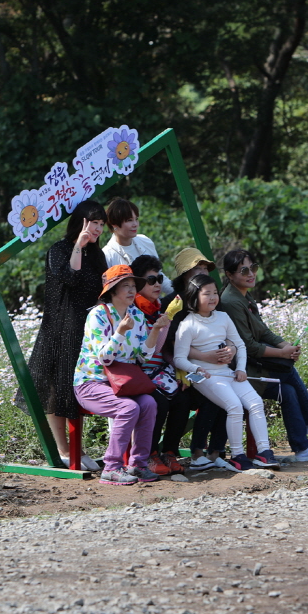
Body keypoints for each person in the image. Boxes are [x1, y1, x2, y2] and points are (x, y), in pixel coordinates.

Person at [218, 249, 308, 462]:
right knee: (288, 370)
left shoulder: (244, 295)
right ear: (229, 274)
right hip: (242, 371)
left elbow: (263, 331)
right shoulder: (230, 301)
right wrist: (283, 353)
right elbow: (248, 346)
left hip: (253, 365)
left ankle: (302, 447)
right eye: (244, 270)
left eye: (253, 268)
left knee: (289, 390)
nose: (251, 274)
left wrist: (286, 347)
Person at [16, 200, 108, 471]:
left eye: (102, 225)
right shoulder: (59, 250)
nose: (98, 229)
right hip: (61, 327)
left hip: (88, 328)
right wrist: (78, 245)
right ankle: (63, 449)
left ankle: (78, 448)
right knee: (58, 388)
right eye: (94, 223)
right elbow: (70, 278)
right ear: (81, 222)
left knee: (80, 386)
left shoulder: (98, 254)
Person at [172, 274, 279, 471]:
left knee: (255, 403)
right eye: (207, 294)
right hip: (204, 376)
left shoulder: (223, 317)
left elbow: (239, 344)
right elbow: (179, 358)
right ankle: (237, 455)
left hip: (227, 372)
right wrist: (196, 368)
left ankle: (264, 452)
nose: (213, 297)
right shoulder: (187, 324)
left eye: (215, 293)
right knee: (235, 406)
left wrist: (240, 368)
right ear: (194, 297)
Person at [73, 264, 169, 485]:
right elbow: (104, 358)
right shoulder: (98, 314)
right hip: (90, 383)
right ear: (112, 290)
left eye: (133, 286)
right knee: (128, 407)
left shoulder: (135, 313)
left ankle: (137, 465)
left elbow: (144, 355)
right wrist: (120, 332)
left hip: (123, 384)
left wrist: (155, 330)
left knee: (149, 404)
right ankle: (111, 467)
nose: (131, 290)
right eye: (124, 286)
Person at [162, 248, 234, 471]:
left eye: (205, 268)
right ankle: (197, 453)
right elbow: (173, 344)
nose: (203, 271)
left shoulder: (213, 298)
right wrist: (204, 357)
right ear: (184, 273)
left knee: (230, 390)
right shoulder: (173, 302)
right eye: (198, 268)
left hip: (216, 364)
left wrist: (229, 350)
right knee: (210, 392)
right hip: (183, 367)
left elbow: (228, 335)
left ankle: (216, 452)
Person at [130, 254, 188, 475]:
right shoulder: (133, 311)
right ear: (138, 283)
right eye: (151, 279)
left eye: (160, 278)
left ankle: (170, 452)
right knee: (159, 403)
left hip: (158, 372)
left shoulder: (157, 308)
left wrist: (179, 370)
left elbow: (161, 351)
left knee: (183, 398)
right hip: (138, 373)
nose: (157, 284)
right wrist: (164, 323)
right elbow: (146, 352)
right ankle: (150, 454)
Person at [102, 199, 174, 296]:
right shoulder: (107, 255)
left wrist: (179, 294)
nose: (135, 224)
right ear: (114, 224)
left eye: (136, 219)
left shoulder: (145, 241)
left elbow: (159, 275)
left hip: (155, 305)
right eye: (129, 220)